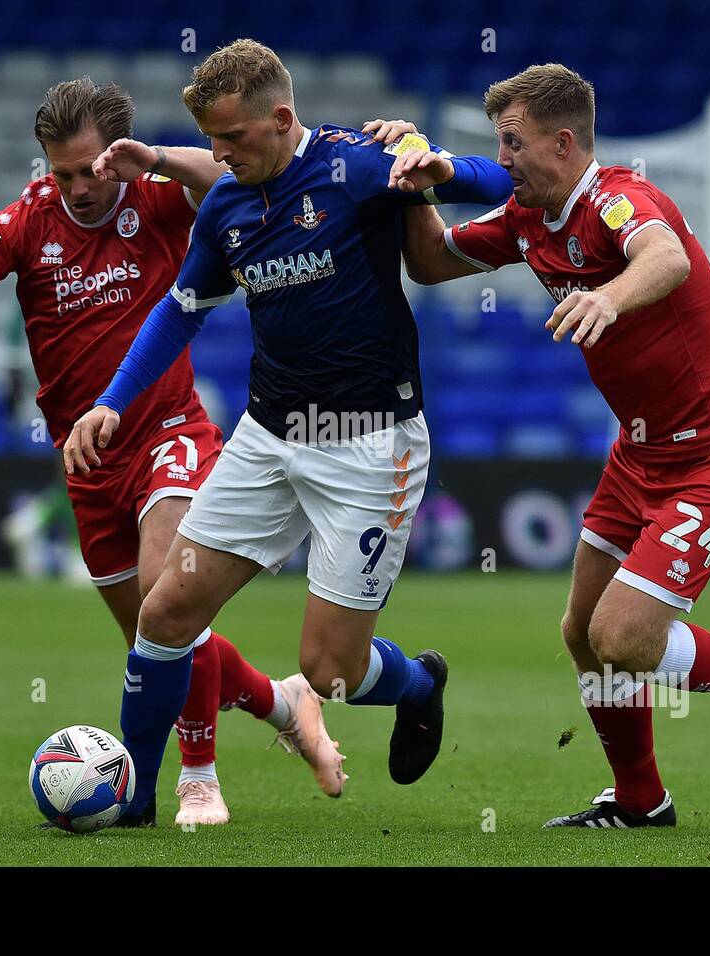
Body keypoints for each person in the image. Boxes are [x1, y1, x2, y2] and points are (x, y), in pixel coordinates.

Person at [64, 39, 515, 825]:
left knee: (330, 670)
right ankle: (134, 796)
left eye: (232, 138)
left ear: (281, 119)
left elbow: (504, 180)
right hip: (267, 440)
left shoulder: (359, 167)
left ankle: (419, 685)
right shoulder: (228, 205)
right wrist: (113, 400)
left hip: (373, 447)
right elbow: (180, 311)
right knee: (165, 613)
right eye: (210, 139)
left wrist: (443, 168)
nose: (219, 153)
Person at [0, 77, 345, 827]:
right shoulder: (27, 222)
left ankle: (198, 779)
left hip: (170, 431)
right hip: (89, 463)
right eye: (61, 172)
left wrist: (158, 162)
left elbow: (231, 176)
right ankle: (282, 702)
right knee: (155, 641)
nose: (79, 187)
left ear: (119, 155)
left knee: (172, 595)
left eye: (92, 169)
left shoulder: (157, 200)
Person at [397, 63, 710, 828]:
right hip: (638, 455)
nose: (503, 158)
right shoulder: (527, 218)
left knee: (621, 636)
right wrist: (412, 179)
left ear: (562, 142)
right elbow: (428, 261)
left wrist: (606, 296)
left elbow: (667, 257)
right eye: (497, 144)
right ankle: (642, 800)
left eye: (513, 143)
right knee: (583, 633)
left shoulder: (620, 198)